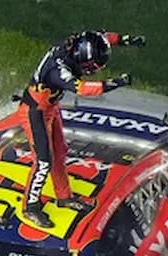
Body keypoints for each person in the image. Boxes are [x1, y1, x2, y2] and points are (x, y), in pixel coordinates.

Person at [19, 30, 145, 227]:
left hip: (49, 108)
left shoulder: (77, 43)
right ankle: (30, 206)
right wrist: (116, 82)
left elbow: (102, 37)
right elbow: (83, 89)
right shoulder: (57, 71)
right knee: (43, 162)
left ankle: (64, 196)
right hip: (35, 112)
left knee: (60, 152)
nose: (92, 70)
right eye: (91, 66)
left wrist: (125, 39)